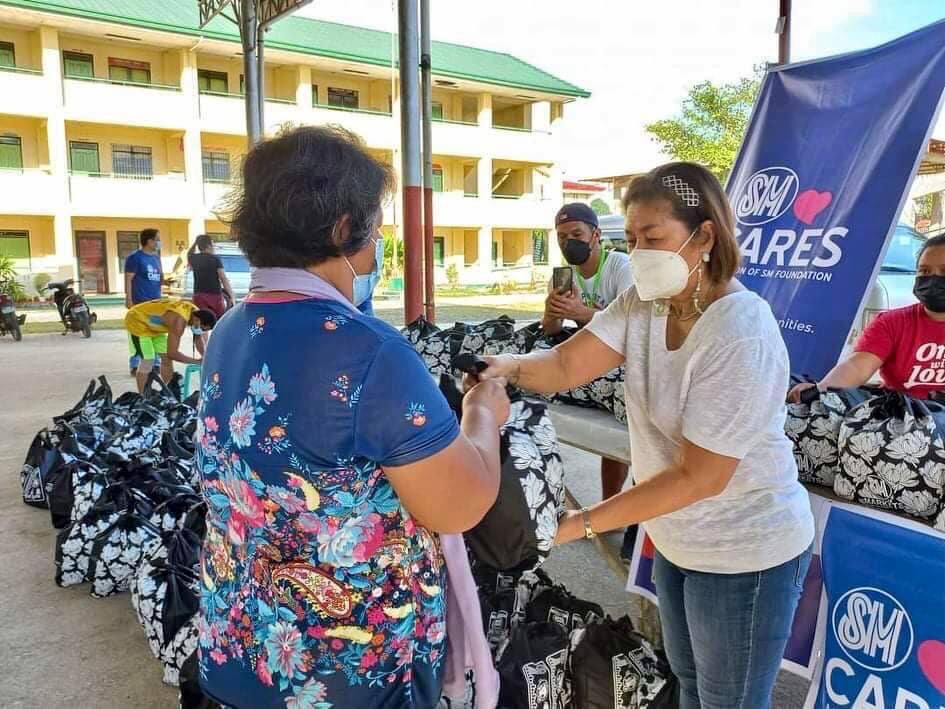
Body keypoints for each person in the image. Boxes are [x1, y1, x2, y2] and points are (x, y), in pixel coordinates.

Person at [473, 162, 815, 709]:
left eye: (653, 238)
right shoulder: (643, 303)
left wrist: (575, 524)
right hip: (678, 540)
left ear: (705, 235)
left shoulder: (740, 331)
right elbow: (563, 366)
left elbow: (699, 477)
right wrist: (505, 367)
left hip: (743, 551)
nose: (638, 253)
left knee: (729, 699)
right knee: (688, 683)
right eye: (630, 239)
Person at [194, 125, 509, 709]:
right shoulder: (370, 352)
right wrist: (482, 414)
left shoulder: (230, 330)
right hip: (346, 678)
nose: (377, 241)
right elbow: (458, 502)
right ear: (344, 228)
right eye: (374, 224)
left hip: (238, 647)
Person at [542, 202, 635, 555]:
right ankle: (610, 509)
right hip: (587, 365)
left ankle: (632, 519)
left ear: (596, 235)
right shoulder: (564, 275)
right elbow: (549, 329)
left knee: (633, 433)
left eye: (577, 235)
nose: (569, 243)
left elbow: (631, 326)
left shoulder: (620, 267)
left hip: (622, 365)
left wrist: (582, 313)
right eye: (562, 237)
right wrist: (553, 312)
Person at [790, 234, 945, 402]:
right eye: (925, 271)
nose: (933, 279)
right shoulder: (893, 322)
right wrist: (820, 390)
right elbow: (857, 367)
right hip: (901, 418)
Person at [124, 297, 216, 394]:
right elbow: (173, 353)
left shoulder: (196, 313)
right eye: (202, 328)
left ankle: (169, 392)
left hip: (154, 327)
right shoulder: (178, 321)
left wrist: (206, 357)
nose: (201, 331)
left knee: (167, 359)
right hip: (137, 320)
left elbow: (197, 338)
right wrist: (195, 361)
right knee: (148, 361)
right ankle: (142, 397)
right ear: (197, 320)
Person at [125, 228, 173, 375]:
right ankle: (135, 363)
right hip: (140, 303)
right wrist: (128, 298)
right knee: (139, 333)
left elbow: (159, 278)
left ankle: (157, 363)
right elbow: (128, 278)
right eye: (157, 239)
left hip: (156, 303)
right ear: (149, 241)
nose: (159, 242)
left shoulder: (156, 257)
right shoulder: (135, 258)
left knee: (156, 331)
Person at [187, 234, 236, 318]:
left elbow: (189, 255)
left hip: (199, 295)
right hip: (215, 296)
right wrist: (232, 296)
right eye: (213, 245)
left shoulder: (193, 258)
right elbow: (223, 279)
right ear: (209, 246)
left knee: (202, 323)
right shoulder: (215, 259)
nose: (214, 247)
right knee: (219, 322)